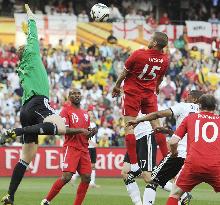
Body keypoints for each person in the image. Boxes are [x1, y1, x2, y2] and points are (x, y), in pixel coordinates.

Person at [0, 5, 90, 205]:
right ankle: (16, 131)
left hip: (25, 109)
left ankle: (10, 196)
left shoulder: (21, 67)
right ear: (30, 51)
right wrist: (31, 18)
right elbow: (34, 34)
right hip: (38, 103)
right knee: (59, 127)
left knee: (27, 157)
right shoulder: (32, 55)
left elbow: (26, 47)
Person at [127, 90, 203, 205]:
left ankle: (182, 197)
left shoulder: (183, 107)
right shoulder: (204, 114)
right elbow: (190, 133)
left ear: (195, 99)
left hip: (180, 153)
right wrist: (168, 131)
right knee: (178, 186)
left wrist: (139, 119)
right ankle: (183, 197)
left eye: (189, 96)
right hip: (194, 156)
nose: (185, 97)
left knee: (152, 181)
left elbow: (158, 114)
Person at [112, 32, 169, 181]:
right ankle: (168, 160)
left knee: (129, 126)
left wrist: (117, 85)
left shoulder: (139, 54)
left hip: (133, 94)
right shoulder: (164, 60)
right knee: (157, 125)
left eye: (151, 39)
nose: (149, 40)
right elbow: (160, 78)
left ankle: (135, 164)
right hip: (149, 95)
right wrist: (156, 88)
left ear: (155, 43)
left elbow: (124, 72)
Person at [41, 88, 97, 205]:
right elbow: (63, 130)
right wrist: (82, 130)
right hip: (71, 147)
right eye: (73, 94)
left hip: (84, 149)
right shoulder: (65, 111)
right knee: (66, 177)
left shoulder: (85, 114)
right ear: (69, 97)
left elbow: (85, 133)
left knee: (87, 178)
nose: (76, 95)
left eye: (78, 93)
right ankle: (46, 200)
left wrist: (92, 131)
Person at [166, 94, 220, 205]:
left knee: (175, 194)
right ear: (215, 107)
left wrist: (174, 152)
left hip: (193, 164)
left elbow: (173, 141)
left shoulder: (190, 118)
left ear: (199, 106)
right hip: (215, 165)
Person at [122, 115, 173, 205]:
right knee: (125, 173)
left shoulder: (145, 102)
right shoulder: (127, 104)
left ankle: (181, 193)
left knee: (148, 177)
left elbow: (155, 121)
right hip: (133, 139)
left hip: (145, 136)